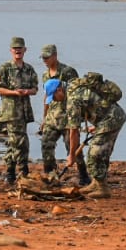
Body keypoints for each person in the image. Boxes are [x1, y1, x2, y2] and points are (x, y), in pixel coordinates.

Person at [63, 71, 126, 199]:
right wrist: (97, 125)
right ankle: (96, 183)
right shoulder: (75, 87)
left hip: (111, 119)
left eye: (54, 97)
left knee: (94, 153)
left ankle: (103, 188)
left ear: (59, 90)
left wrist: (71, 155)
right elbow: (96, 104)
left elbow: (73, 131)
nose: (55, 100)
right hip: (113, 117)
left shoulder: (72, 100)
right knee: (102, 152)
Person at [0, 36, 39, 185]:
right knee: (20, 142)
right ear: (11, 50)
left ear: (25, 50)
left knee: (16, 142)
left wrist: (26, 91)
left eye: (20, 48)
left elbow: (35, 89)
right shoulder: (5, 68)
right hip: (11, 111)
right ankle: (22, 171)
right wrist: (14, 93)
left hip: (24, 111)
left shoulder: (29, 69)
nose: (17, 50)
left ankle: (10, 173)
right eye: (15, 48)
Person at [38, 44, 85, 183]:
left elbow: (77, 94)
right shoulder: (45, 75)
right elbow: (46, 97)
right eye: (43, 58)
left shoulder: (68, 72)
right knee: (46, 144)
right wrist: (44, 118)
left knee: (72, 145)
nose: (45, 60)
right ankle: (50, 174)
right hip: (52, 117)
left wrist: (78, 118)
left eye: (47, 57)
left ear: (55, 55)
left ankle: (84, 175)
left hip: (68, 117)